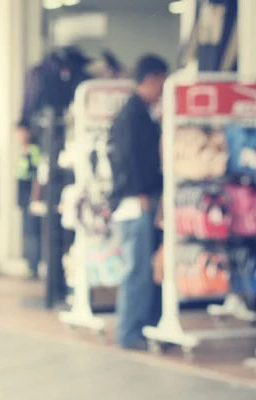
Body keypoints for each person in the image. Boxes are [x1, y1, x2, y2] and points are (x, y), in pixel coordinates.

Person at [107, 54, 169, 350]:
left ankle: (140, 328)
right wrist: (139, 193)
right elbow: (127, 158)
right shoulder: (132, 115)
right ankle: (129, 332)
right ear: (152, 79)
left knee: (142, 268)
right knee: (137, 269)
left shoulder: (138, 112)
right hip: (136, 202)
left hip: (137, 200)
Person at [16, 125, 42, 280]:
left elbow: (37, 177)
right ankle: (30, 264)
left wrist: (35, 199)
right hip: (24, 200)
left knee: (33, 233)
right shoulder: (23, 152)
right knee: (27, 232)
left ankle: (33, 266)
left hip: (31, 200)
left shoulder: (33, 152)